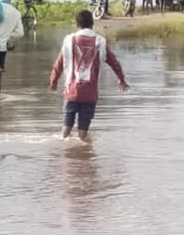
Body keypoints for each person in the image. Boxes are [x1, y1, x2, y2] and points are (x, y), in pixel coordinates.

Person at [49, 10, 129, 142]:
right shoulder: (100, 42)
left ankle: (65, 158)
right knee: (83, 133)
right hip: (90, 93)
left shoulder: (69, 40)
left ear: (77, 24)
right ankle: (85, 159)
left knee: (66, 130)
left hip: (71, 91)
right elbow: (114, 62)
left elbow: (59, 62)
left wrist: (53, 80)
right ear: (92, 24)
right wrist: (121, 79)